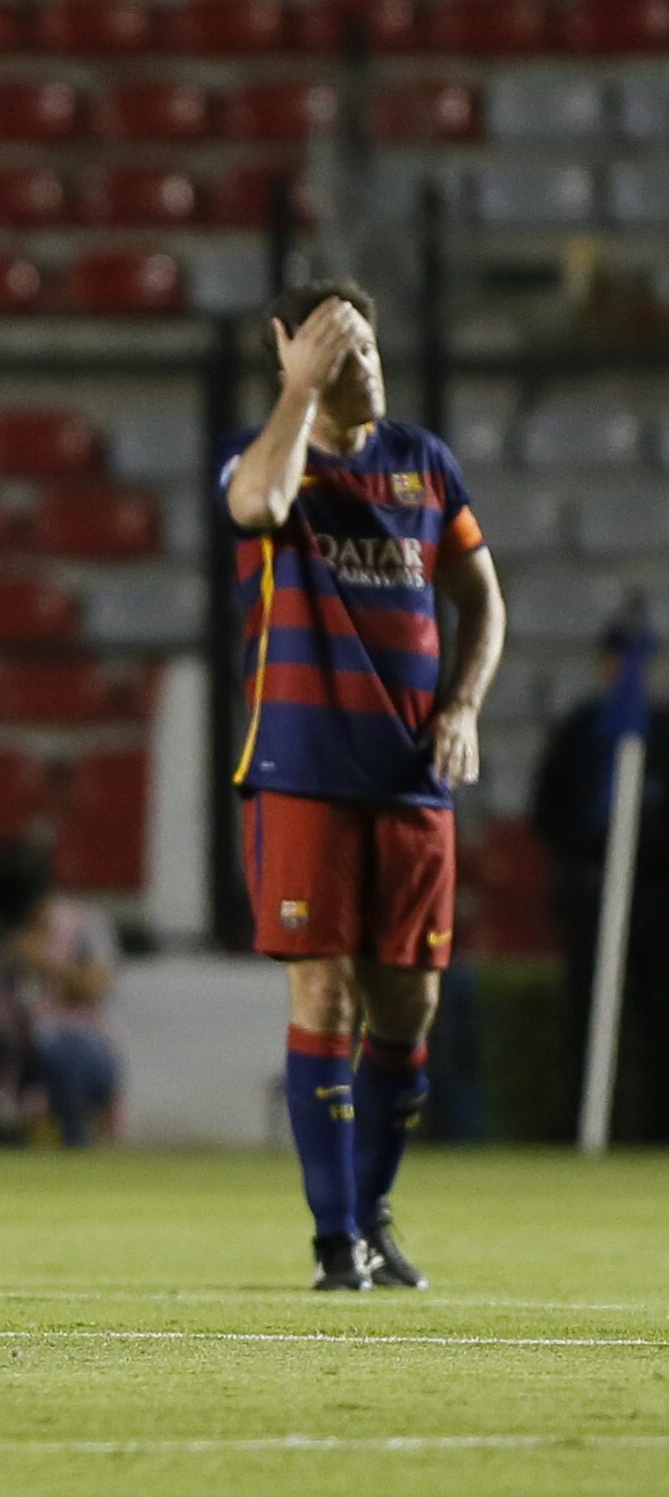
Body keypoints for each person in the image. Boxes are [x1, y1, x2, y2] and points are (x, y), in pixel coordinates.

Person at [220, 277, 507, 1292]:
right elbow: (256, 505)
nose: (366, 371)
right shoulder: (265, 461)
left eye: (369, 351)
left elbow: (482, 599)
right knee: (322, 990)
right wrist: (298, 391)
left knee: (407, 1011)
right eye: (341, 355)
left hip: (411, 777)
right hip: (302, 769)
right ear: (292, 358)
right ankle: (334, 1239)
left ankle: (372, 1216)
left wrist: (462, 705)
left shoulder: (424, 465)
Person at [533, 622, 669, 1137]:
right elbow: (548, 810)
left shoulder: (662, 731)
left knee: (658, 1023)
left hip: (655, 898)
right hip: (591, 894)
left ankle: (657, 1133)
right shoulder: (580, 732)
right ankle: (576, 1130)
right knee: (585, 1019)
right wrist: (588, 852)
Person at [0, 843, 123, 1148]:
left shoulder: (82, 924)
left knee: (58, 1045)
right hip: (15, 1051)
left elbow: (96, 988)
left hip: (77, 1049)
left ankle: (72, 1138)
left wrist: (44, 963)